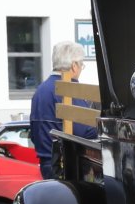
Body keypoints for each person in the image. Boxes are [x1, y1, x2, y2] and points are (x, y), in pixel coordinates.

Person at [29, 41, 91, 179]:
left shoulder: (40, 91)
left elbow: (34, 133)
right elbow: (82, 131)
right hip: (68, 166)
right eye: (81, 65)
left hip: (46, 164)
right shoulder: (69, 90)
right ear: (74, 65)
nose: (81, 69)